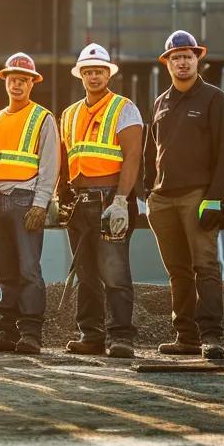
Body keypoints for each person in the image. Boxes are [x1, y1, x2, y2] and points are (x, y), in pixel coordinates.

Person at [144, 30, 224, 360]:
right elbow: (152, 152)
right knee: (178, 271)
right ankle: (185, 337)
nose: (182, 62)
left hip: (197, 197)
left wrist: (214, 197)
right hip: (162, 200)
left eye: (187, 56)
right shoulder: (161, 102)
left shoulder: (215, 99)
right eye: (176, 57)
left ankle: (210, 336)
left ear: (197, 59)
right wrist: (148, 191)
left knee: (205, 266)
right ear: (167, 63)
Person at [58, 44, 144, 359]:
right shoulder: (69, 114)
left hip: (110, 201)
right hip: (79, 203)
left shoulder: (124, 108)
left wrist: (121, 200)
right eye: (89, 72)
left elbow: (132, 158)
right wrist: (61, 197)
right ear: (81, 75)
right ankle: (91, 336)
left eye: (99, 71)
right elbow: (66, 161)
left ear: (108, 75)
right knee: (86, 275)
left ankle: (121, 337)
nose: (94, 76)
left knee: (115, 273)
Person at [0, 52, 61, 355]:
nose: (17, 85)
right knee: (4, 271)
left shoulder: (42, 118)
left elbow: (50, 164)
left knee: (28, 270)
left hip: (26, 200)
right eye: (13, 79)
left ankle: (30, 334)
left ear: (32, 84)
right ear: (5, 82)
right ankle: (7, 332)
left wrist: (41, 204)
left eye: (23, 80)